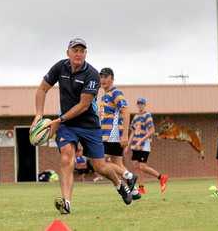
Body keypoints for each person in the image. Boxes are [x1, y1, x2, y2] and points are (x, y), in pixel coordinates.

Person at [31, 37, 137, 214]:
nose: (78, 54)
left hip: (89, 125)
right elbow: (42, 89)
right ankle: (66, 203)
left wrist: (57, 121)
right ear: (68, 53)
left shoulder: (92, 74)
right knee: (66, 157)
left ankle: (120, 184)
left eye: (82, 51)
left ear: (85, 54)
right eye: (75, 50)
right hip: (68, 126)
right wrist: (39, 115)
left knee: (100, 167)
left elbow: (83, 105)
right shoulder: (60, 67)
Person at [99, 67, 140, 199]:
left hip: (112, 134)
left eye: (106, 77)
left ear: (112, 79)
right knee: (118, 164)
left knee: (101, 162)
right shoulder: (104, 96)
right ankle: (134, 192)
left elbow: (126, 111)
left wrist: (125, 135)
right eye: (101, 77)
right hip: (106, 134)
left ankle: (129, 177)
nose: (103, 79)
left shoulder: (116, 92)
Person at [127, 98, 168, 194]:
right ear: (137, 105)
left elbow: (152, 131)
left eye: (142, 104)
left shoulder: (147, 115)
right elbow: (132, 131)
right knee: (136, 166)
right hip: (135, 145)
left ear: (144, 105)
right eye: (139, 104)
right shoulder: (136, 117)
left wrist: (141, 140)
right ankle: (141, 188)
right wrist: (128, 145)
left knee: (142, 166)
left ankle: (161, 177)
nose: (140, 105)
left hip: (144, 144)